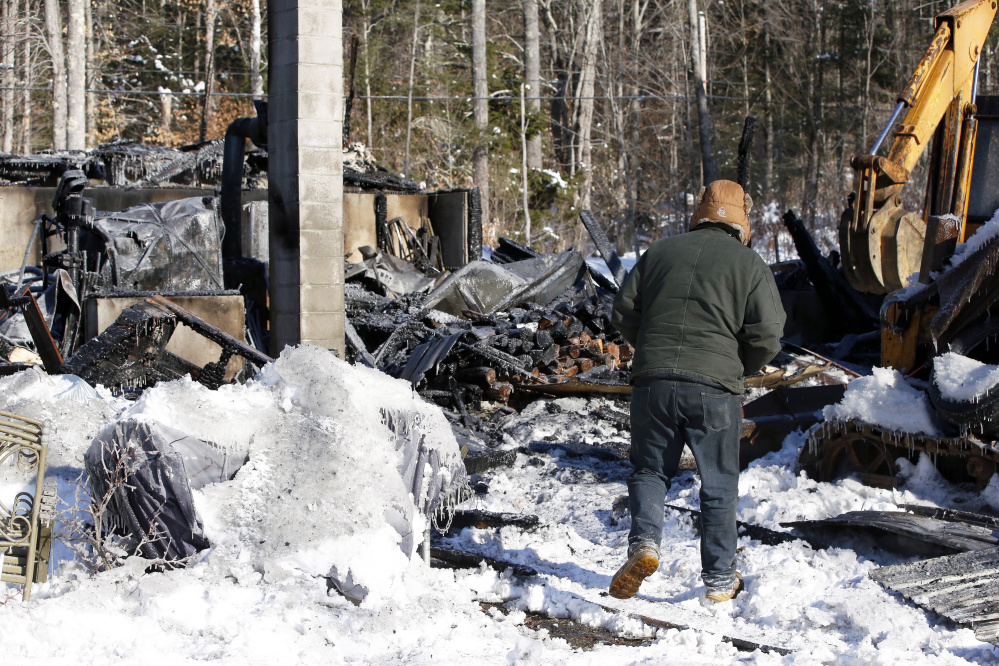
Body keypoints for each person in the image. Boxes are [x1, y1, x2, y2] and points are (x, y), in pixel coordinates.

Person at [608, 179, 786, 602]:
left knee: (650, 470)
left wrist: (651, 350)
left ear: (700, 213)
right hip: (715, 389)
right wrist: (741, 366)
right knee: (718, 483)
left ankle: (645, 544)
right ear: (741, 219)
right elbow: (768, 333)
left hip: (653, 382)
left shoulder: (660, 253)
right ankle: (721, 579)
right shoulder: (749, 264)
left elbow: (623, 312)